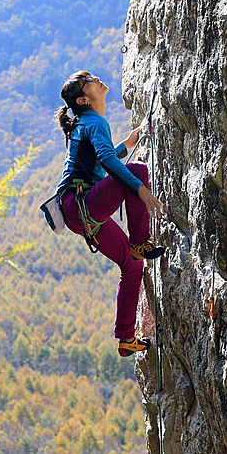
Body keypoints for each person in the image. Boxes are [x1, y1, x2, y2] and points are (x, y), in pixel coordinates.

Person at [53, 71, 166, 357]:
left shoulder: (83, 122)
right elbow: (105, 161)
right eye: (88, 81)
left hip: (78, 212)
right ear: (83, 99)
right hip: (84, 205)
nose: (96, 79)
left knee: (132, 266)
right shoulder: (94, 121)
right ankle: (141, 242)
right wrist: (140, 189)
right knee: (137, 170)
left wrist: (127, 144)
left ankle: (127, 340)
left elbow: (98, 165)